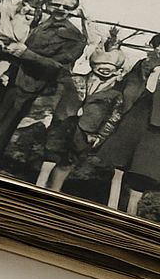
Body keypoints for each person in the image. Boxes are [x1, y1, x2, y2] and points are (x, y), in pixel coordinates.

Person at [0, 0, 88, 170]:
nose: (60, 9)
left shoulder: (74, 37)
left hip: (27, 84)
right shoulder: (33, 19)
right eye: (56, 4)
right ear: (47, 4)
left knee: (1, 130)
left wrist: (27, 55)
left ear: (73, 10)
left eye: (66, 7)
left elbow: (60, 68)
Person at [97, 32, 160, 215]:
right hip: (135, 114)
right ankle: (111, 205)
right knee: (119, 161)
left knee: (144, 167)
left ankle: (131, 212)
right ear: (155, 47)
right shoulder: (143, 63)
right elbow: (126, 85)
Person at [35, 44, 125, 191]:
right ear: (92, 65)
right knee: (50, 156)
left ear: (116, 70)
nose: (104, 69)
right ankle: (39, 185)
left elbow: (114, 118)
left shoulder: (115, 94)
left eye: (110, 67)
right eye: (100, 65)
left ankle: (54, 191)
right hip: (63, 124)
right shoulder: (75, 80)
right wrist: (49, 115)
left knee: (68, 162)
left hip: (86, 132)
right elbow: (56, 98)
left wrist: (100, 136)